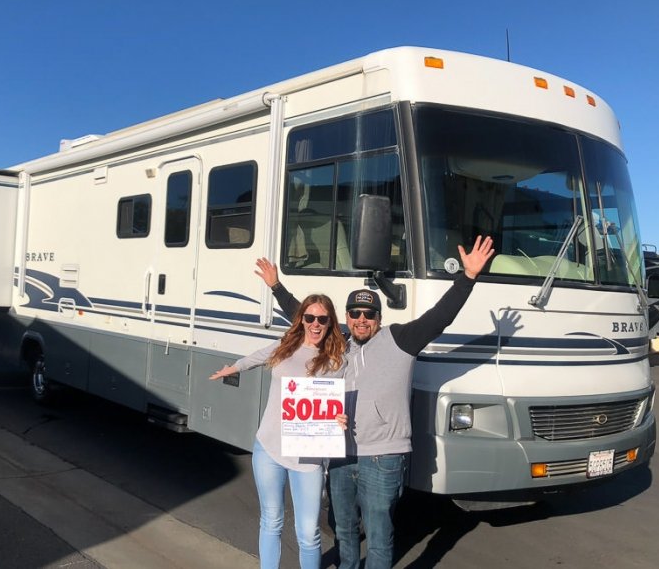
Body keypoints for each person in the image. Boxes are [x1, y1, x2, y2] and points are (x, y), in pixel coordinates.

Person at [254, 235, 494, 569]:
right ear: (348, 317)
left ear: (378, 317)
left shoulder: (401, 339)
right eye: (355, 313)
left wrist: (466, 279)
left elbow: (440, 317)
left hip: (383, 456)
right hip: (341, 455)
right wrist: (276, 286)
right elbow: (307, 316)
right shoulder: (339, 343)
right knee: (344, 531)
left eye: (369, 313)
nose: (361, 319)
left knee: (380, 537)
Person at [210, 293, 347, 569]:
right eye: (310, 318)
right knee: (271, 521)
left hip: (307, 457)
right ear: (302, 320)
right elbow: (257, 358)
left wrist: (342, 418)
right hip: (268, 448)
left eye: (322, 318)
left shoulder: (338, 362)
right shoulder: (286, 346)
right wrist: (233, 368)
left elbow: (342, 402)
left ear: (331, 321)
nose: (315, 324)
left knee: (308, 534)